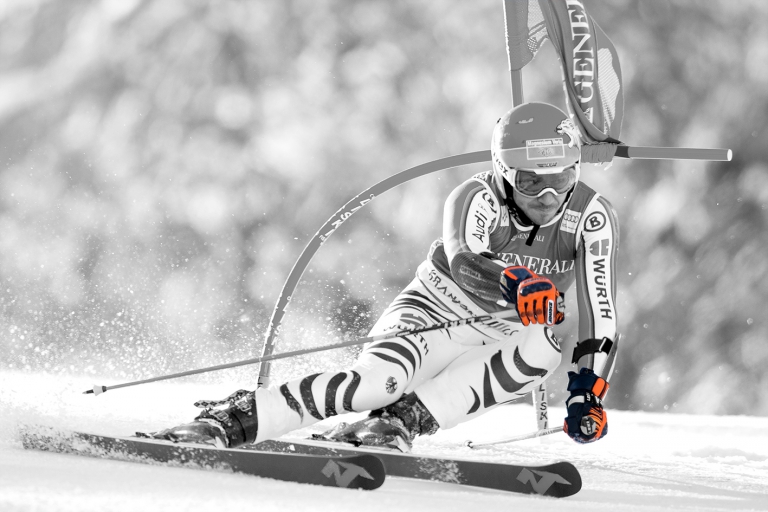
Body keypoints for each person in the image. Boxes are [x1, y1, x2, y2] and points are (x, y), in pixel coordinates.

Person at [147, 102, 620, 451]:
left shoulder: (592, 217)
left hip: (500, 336)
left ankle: (399, 423)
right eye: (531, 181)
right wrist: (514, 284)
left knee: (544, 350)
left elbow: (601, 314)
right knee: (375, 383)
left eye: (561, 180)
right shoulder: (475, 197)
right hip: (436, 310)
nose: (548, 198)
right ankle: (235, 418)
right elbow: (463, 261)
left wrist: (588, 394)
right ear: (502, 171)